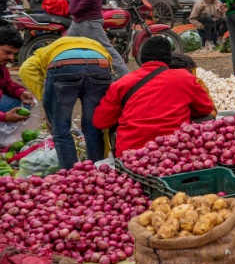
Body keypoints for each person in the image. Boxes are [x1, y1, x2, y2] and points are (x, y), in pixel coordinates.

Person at [93, 36, 215, 157]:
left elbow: (101, 121)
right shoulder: (184, 77)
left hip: (131, 155)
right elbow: (205, 109)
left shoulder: (121, 83)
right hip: (174, 151)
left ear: (141, 58)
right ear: (169, 59)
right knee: (208, 118)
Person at [19, 36, 113, 169]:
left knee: (61, 130)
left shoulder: (41, 53)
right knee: (94, 127)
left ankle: (73, 176)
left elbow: (25, 69)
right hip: (99, 65)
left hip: (63, 66)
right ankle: (98, 172)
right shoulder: (94, 44)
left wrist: (46, 98)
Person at [0, 27, 35, 122]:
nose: (11, 58)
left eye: (14, 54)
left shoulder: (1, 65)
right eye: (7, 52)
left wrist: (20, 92)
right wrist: (4, 117)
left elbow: (6, 84)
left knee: (25, 104)